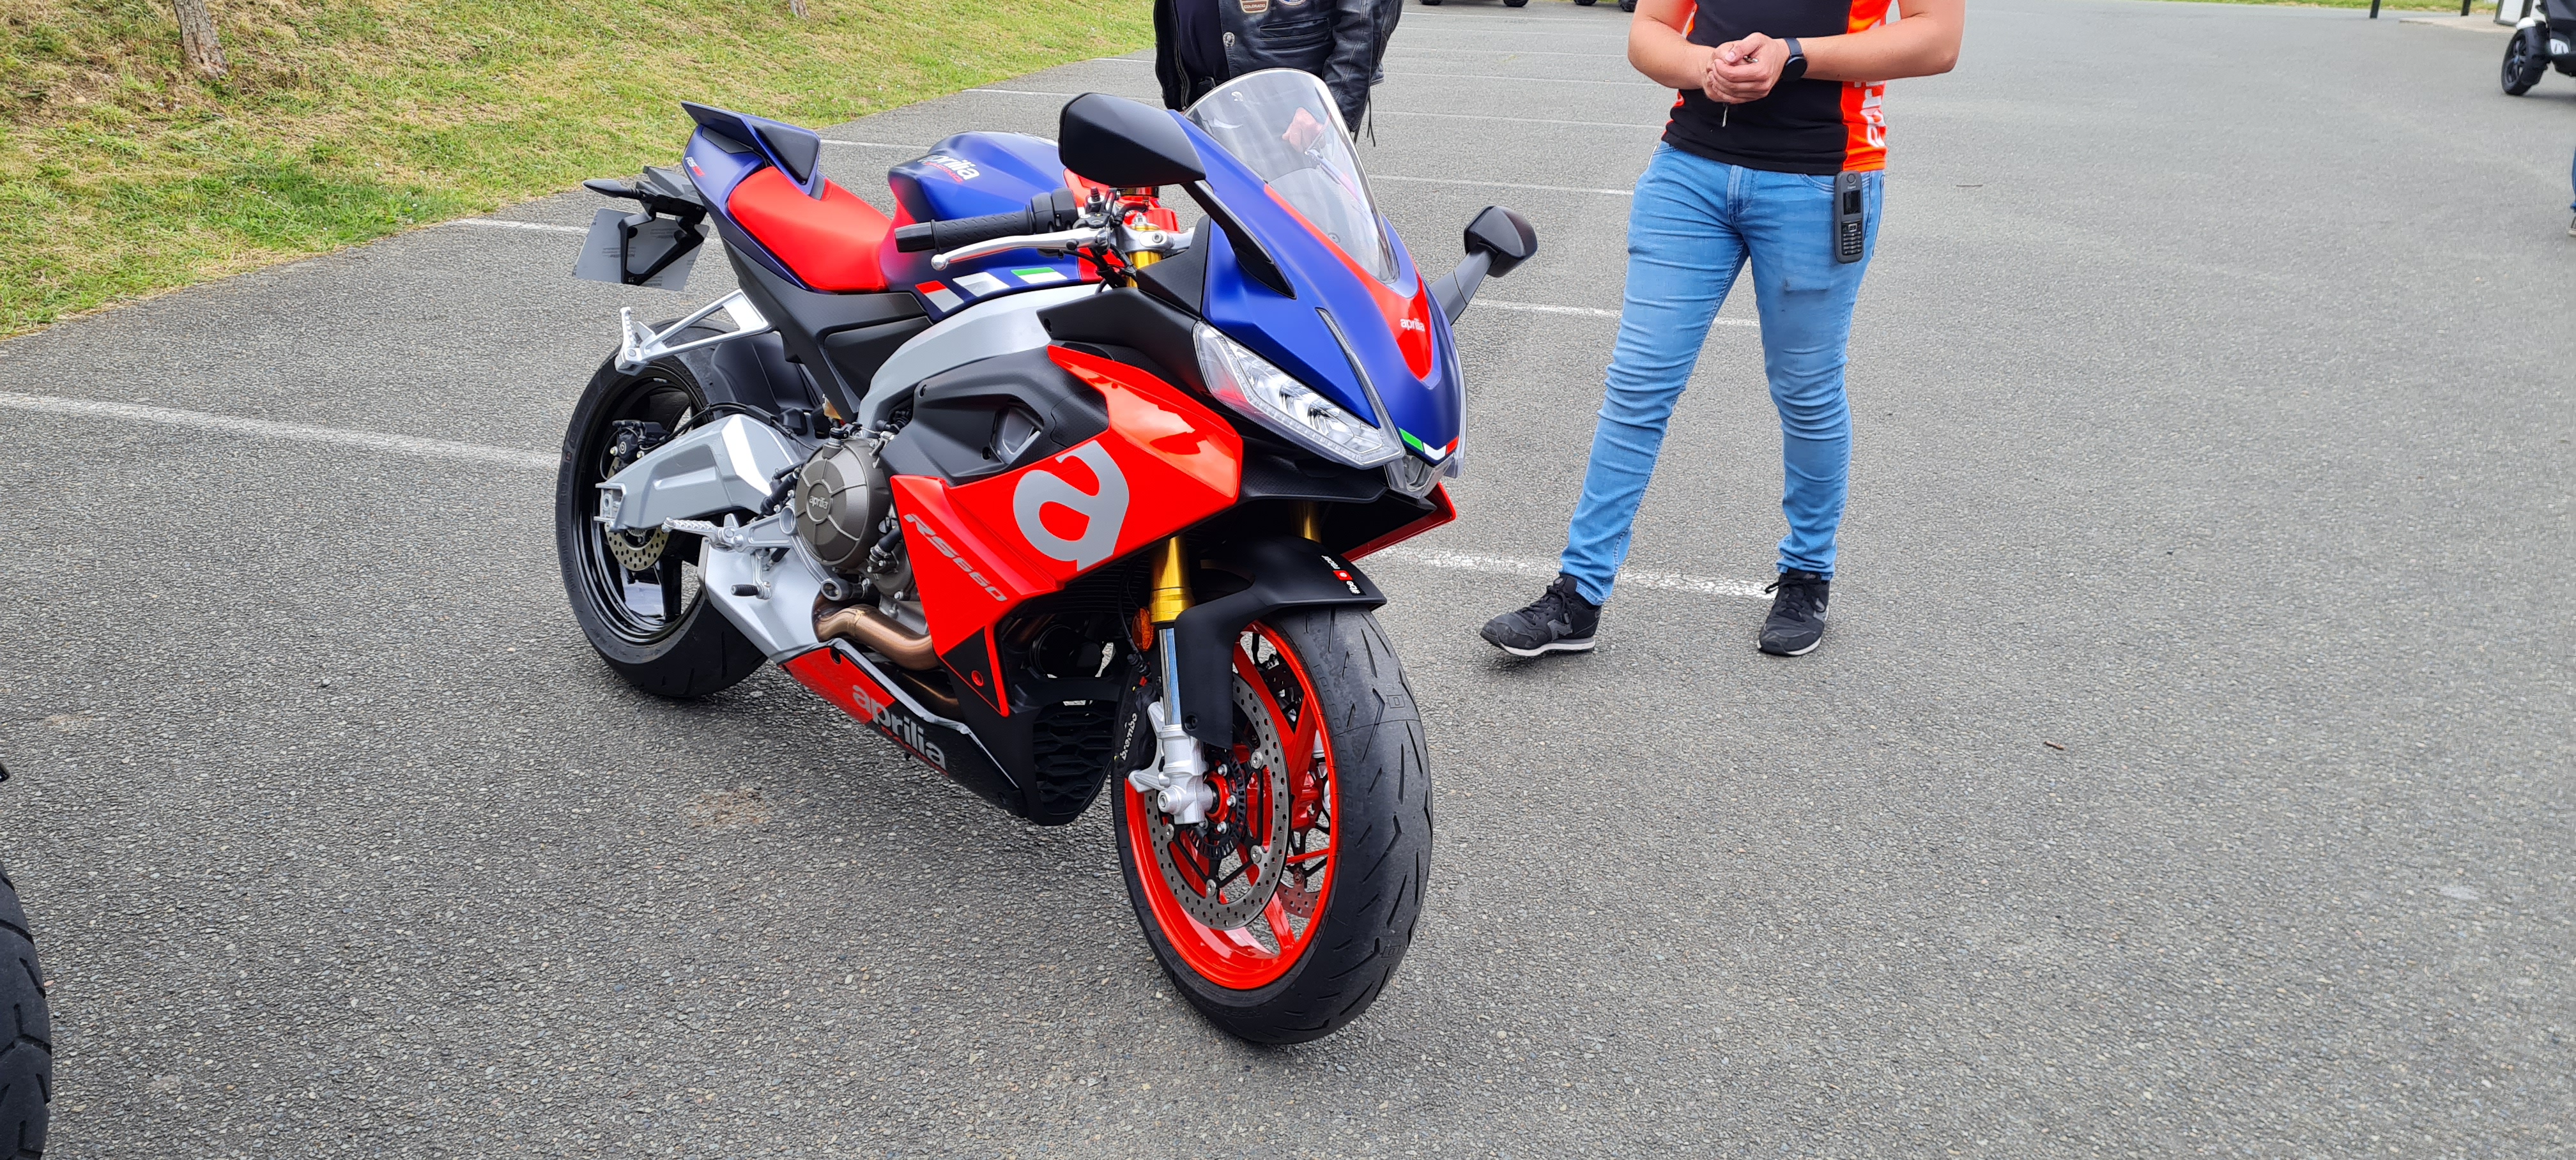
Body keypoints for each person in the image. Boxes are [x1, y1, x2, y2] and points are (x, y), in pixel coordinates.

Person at [1479, 0, 1965, 660]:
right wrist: (1705, 66)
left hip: (1821, 176)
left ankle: (1807, 574)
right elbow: (1649, 32)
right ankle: (1579, 594)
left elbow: (1938, 39)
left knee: (1807, 390)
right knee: (1638, 384)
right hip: (1690, 172)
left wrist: (1794, 56)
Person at [1154, 0, 1385, 127]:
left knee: (1297, 201)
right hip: (1207, 104)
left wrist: (1330, 108)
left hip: (1296, 111)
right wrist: (1183, 96)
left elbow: (1365, 16)